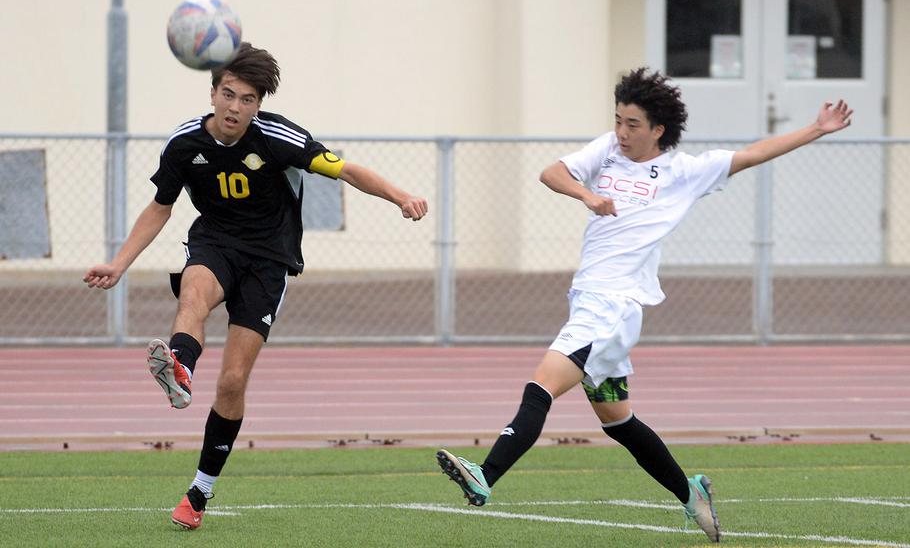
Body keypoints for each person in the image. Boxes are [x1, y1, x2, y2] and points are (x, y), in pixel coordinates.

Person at [436, 67, 852, 543]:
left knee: (541, 387)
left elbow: (752, 154)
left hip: (612, 307)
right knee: (619, 422)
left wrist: (816, 129)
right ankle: (690, 493)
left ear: (658, 129)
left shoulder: (685, 173)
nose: (621, 132)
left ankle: (486, 475)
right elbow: (551, 173)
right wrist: (587, 195)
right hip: (590, 301)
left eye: (633, 124)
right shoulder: (607, 151)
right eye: (618, 120)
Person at [83, 42, 428, 530]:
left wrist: (400, 196)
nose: (235, 107)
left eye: (247, 99)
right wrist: (119, 264)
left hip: (269, 261)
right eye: (228, 94)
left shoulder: (279, 138)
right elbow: (160, 206)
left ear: (258, 104)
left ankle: (199, 492)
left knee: (232, 382)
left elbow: (344, 169)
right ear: (212, 92)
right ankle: (180, 365)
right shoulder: (185, 144)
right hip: (216, 244)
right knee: (194, 292)